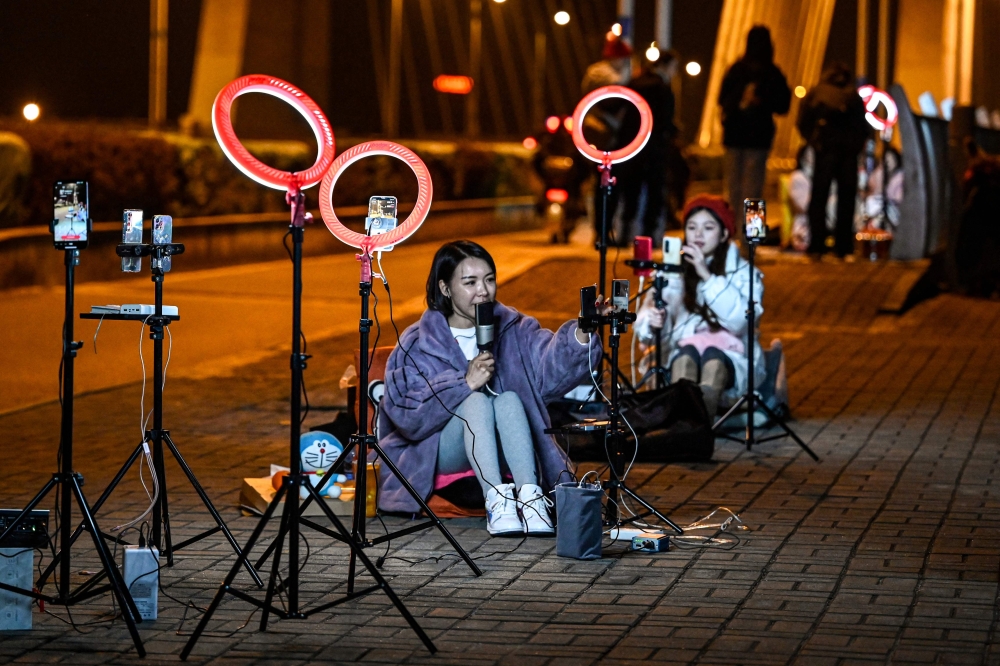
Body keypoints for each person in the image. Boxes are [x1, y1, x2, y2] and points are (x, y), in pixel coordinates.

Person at [378, 241, 601, 537]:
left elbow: (550, 373)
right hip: (439, 449)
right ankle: (498, 499)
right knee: (476, 403)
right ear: (445, 288)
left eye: (489, 279)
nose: (482, 290)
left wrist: (582, 332)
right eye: (469, 282)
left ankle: (531, 499)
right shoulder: (418, 341)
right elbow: (408, 417)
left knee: (508, 399)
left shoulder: (514, 327)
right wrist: (463, 385)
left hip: (507, 444)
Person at [634, 195, 766, 418]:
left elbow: (741, 321)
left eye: (708, 227)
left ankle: (698, 428)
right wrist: (654, 322)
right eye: (692, 227)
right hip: (685, 349)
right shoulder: (672, 270)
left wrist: (706, 275)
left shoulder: (744, 272)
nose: (698, 234)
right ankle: (680, 429)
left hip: (732, 356)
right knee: (686, 356)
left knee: (714, 358)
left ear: (724, 233)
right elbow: (648, 321)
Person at [718, 26, 791, 230]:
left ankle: (730, 234)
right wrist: (763, 102)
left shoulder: (736, 70)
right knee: (754, 191)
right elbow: (783, 105)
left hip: (734, 136)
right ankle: (752, 238)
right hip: (759, 138)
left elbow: (722, 99)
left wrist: (739, 101)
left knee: (733, 189)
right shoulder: (773, 72)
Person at [797, 61, 869, 258]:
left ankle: (817, 243)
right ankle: (843, 245)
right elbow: (863, 128)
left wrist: (815, 141)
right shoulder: (852, 96)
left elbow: (803, 122)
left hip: (825, 151)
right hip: (847, 154)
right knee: (846, 199)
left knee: (819, 197)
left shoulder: (817, 93)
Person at [620, 51, 681, 244]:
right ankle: (649, 236)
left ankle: (625, 232)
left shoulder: (635, 82)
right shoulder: (662, 87)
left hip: (632, 145)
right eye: (674, 67)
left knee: (631, 190)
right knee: (656, 191)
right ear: (666, 65)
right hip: (655, 146)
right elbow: (665, 119)